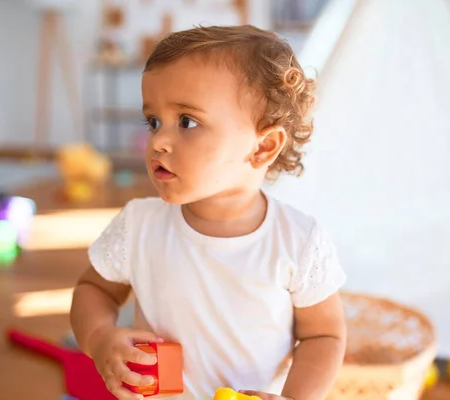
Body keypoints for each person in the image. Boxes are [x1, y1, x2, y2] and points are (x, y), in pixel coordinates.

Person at [70, 24, 347, 400]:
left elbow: (324, 335)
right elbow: (93, 290)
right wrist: (99, 338)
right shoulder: (139, 225)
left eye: (187, 122)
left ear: (263, 147)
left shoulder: (298, 242)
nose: (159, 142)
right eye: (153, 122)